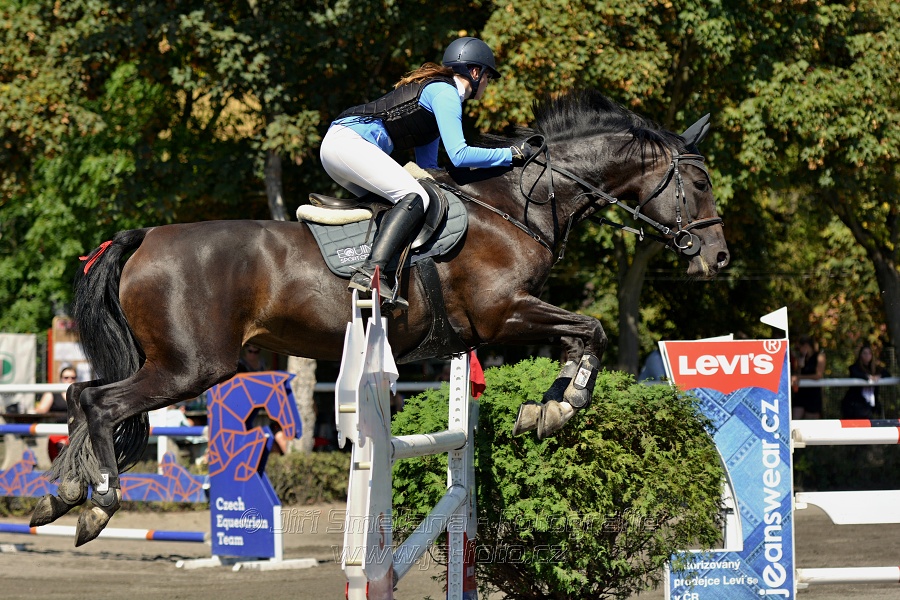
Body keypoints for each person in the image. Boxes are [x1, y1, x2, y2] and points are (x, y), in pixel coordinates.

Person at [320, 37, 534, 307]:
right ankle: (369, 273)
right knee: (414, 196)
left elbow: (428, 170)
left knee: (403, 202)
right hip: (349, 144)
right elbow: (460, 155)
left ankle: (371, 269)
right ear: (475, 72)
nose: (488, 84)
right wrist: (511, 154)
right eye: (489, 77)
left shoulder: (435, 105)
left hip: (340, 148)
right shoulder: (446, 94)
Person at [35, 364, 76, 461]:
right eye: (66, 377)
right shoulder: (53, 392)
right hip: (57, 430)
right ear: (61, 378)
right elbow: (42, 409)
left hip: (74, 430)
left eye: (73, 377)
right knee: (60, 446)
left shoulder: (80, 393)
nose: (69, 380)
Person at [841, 344, 890, 419]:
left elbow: (887, 374)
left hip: (869, 406)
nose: (867, 355)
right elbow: (855, 373)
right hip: (856, 405)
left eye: (869, 353)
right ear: (860, 355)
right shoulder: (855, 367)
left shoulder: (876, 368)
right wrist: (868, 377)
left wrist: (878, 376)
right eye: (864, 353)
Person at [791, 335, 826, 419]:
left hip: (813, 394)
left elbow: (818, 375)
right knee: (795, 419)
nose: (799, 350)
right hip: (801, 393)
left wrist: (799, 377)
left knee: (811, 423)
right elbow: (798, 373)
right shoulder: (801, 358)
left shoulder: (819, 356)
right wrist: (799, 366)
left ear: (806, 346)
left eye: (799, 348)